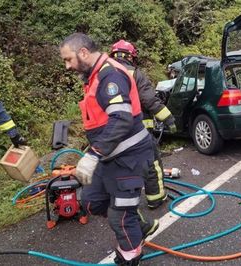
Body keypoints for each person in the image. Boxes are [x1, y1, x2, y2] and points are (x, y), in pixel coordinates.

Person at [60, 33, 157, 265]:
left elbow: (121, 118)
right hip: (109, 157)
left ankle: (131, 256)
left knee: (119, 216)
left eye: (68, 59)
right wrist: (95, 153)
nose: (67, 66)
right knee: (92, 201)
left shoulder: (110, 75)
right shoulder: (93, 76)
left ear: (83, 53)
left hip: (129, 158)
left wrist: (94, 153)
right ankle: (139, 224)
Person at [110, 39, 177, 209]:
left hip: (110, 134)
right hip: (136, 131)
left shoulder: (102, 75)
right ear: (130, 57)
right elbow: (149, 100)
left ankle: (118, 205)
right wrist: (168, 119)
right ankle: (155, 198)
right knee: (151, 163)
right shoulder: (134, 74)